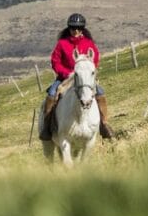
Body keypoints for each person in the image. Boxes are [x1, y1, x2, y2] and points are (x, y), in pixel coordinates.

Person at [40, 13, 114, 141]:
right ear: (69, 28)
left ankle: (104, 124)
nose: (76, 31)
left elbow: (95, 58)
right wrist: (66, 73)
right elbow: (55, 61)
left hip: (84, 79)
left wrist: (88, 72)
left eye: (79, 28)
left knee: (100, 93)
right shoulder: (62, 44)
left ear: (82, 29)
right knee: (51, 94)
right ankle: (47, 128)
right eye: (73, 28)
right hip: (65, 78)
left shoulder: (89, 43)